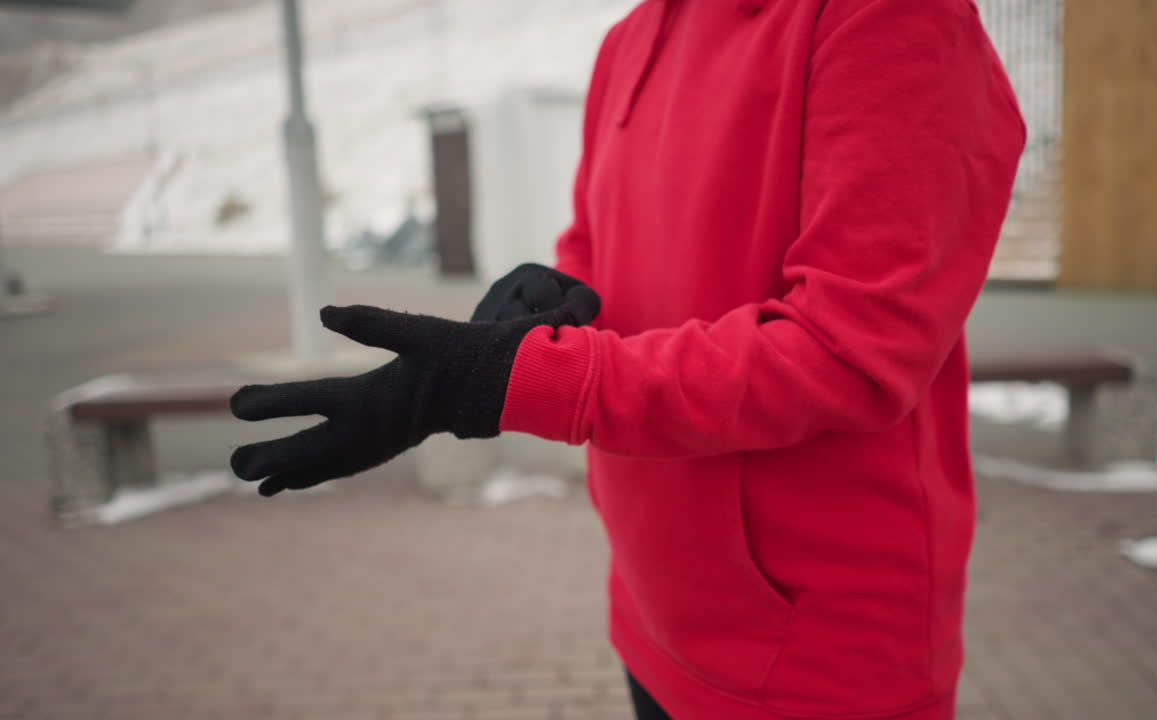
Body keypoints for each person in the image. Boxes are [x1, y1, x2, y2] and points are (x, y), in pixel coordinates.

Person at [229, 0, 1026, 718]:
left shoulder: (892, 17)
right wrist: (457, 368)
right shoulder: (632, 38)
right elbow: (591, 260)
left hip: (814, 651)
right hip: (651, 605)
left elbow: (849, 349)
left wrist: (526, 381)